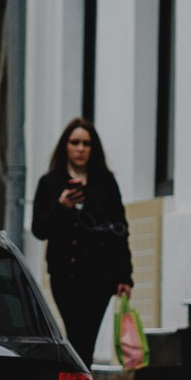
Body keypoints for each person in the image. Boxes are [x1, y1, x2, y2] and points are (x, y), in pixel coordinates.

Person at [31, 117, 134, 365]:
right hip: (65, 274)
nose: (80, 148)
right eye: (75, 142)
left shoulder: (106, 183)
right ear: (65, 146)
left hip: (100, 275)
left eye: (86, 143)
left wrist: (124, 276)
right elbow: (39, 229)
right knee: (76, 333)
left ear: (93, 148)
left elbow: (120, 229)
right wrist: (61, 206)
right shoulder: (50, 183)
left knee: (86, 338)